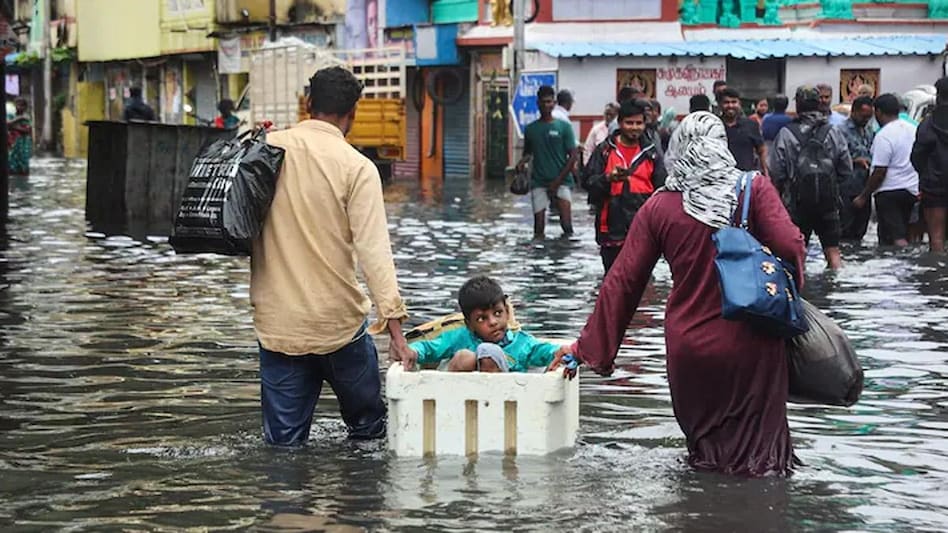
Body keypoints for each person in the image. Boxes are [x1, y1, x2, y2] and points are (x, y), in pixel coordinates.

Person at [550, 111, 806, 477]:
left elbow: (622, 282)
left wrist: (588, 350)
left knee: (704, 456)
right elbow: (792, 246)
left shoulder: (660, 205)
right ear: (722, 145)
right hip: (752, 342)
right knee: (762, 461)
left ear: (678, 150)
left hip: (690, 349)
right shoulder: (753, 188)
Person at [251, 66, 411, 446]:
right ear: (352, 114)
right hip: (339, 328)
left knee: (282, 450)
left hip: (279, 328)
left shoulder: (265, 151)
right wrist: (396, 335)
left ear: (308, 104)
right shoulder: (356, 167)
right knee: (370, 436)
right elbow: (375, 256)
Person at [405, 276, 570, 372]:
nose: (493, 322)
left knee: (488, 352)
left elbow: (547, 351)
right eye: (481, 319)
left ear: (507, 311)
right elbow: (429, 348)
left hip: (507, 408)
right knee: (466, 357)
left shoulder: (522, 343)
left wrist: (566, 352)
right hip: (459, 407)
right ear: (470, 324)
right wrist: (413, 351)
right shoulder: (459, 336)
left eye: (498, 313)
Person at [770, 86, 852, 269]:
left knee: (798, 253)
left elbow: (776, 170)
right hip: (828, 202)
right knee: (833, 252)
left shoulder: (786, 133)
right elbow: (846, 168)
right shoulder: (833, 131)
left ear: (798, 105)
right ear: (819, 104)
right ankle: (835, 289)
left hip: (796, 203)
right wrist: (831, 186)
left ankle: (801, 291)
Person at [583, 100, 666, 272]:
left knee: (640, 282)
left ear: (645, 124)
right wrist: (608, 179)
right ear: (620, 123)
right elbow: (587, 183)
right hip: (611, 228)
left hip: (644, 228)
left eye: (639, 123)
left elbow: (662, 191)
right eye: (629, 123)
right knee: (613, 280)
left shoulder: (651, 154)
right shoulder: (604, 150)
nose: (634, 127)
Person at [854, 93, 919, 247]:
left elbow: (880, 171)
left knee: (894, 237)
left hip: (889, 193)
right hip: (913, 191)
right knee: (909, 235)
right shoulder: (913, 130)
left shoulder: (884, 135)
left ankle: (896, 264)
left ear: (878, 112)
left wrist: (863, 196)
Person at [516, 85, 579, 239]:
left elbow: (572, 156)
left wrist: (557, 181)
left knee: (567, 225)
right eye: (543, 102)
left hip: (562, 181)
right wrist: (521, 163)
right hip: (539, 181)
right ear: (537, 103)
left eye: (549, 102)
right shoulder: (531, 129)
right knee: (538, 229)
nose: (546, 105)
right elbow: (528, 152)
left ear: (554, 103)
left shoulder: (564, 127)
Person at [911, 77, 948, 252]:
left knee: (936, 238)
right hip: (934, 185)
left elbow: (917, 157)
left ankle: (936, 275)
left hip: (934, 188)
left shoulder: (927, 124)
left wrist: (926, 175)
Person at [836, 96, 876, 242]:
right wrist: (853, 161)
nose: (866, 120)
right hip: (846, 188)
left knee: (861, 231)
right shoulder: (840, 131)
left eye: (869, 117)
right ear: (854, 111)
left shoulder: (869, 131)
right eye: (863, 116)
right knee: (844, 231)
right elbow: (832, 158)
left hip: (865, 187)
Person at [719, 88, 767, 174]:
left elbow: (761, 150)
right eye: (726, 102)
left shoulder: (751, 125)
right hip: (721, 180)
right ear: (720, 105)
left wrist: (766, 173)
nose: (730, 105)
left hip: (745, 179)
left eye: (734, 102)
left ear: (739, 104)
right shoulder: (715, 126)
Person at [8, 97, 32, 176]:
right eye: (17, 105)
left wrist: (14, 127)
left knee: (24, 163)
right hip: (13, 143)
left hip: (24, 144)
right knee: (12, 162)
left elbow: (27, 131)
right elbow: (8, 124)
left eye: (22, 105)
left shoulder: (27, 117)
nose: (19, 107)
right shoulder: (12, 115)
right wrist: (19, 119)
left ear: (25, 107)